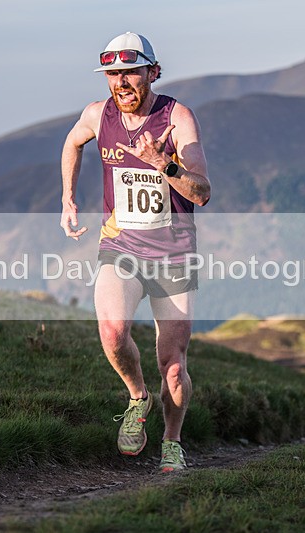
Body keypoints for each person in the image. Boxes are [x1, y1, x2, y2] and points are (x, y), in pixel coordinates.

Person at [60, 32, 211, 473]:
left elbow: (201, 192)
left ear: (153, 72)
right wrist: (68, 199)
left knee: (175, 369)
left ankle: (171, 442)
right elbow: (72, 142)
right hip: (120, 246)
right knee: (111, 332)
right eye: (113, 74)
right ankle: (137, 397)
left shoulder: (177, 117)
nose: (121, 82)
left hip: (174, 256)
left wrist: (164, 164)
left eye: (131, 72)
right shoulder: (96, 114)